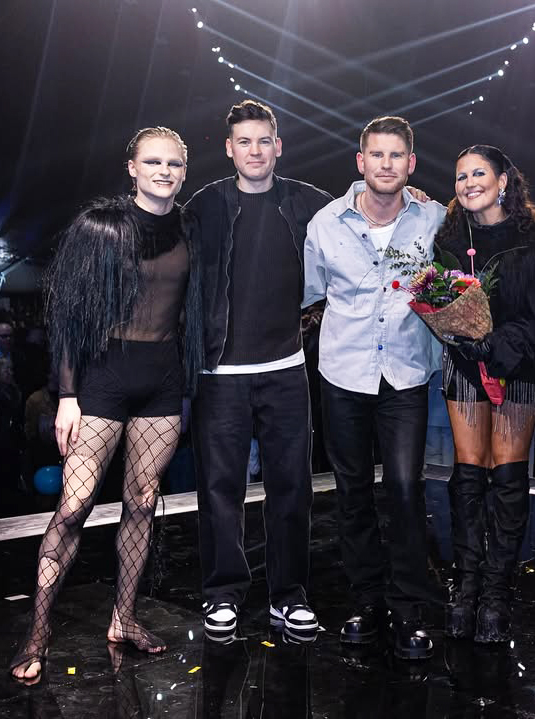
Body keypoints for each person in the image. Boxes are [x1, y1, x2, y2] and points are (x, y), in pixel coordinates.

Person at [8, 126, 202, 683]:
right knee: (74, 505)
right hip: (103, 377)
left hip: (162, 377)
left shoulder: (191, 227)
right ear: (132, 168)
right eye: (153, 162)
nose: (164, 171)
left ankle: (124, 618)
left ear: (184, 172)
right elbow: (70, 316)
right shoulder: (101, 227)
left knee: (143, 501)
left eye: (174, 164)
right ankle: (38, 632)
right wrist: (67, 395)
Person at [185, 100, 331, 643]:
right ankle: (223, 592)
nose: (254, 150)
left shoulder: (306, 201)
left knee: (292, 488)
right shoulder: (205, 204)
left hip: (286, 369)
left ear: (278, 146)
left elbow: (361, 214)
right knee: (219, 489)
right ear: (229, 149)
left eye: (263, 140)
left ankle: (289, 596)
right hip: (220, 373)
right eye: (244, 142)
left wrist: (413, 198)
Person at [303, 116, 446, 659]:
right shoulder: (326, 223)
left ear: (411, 163)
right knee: (352, 490)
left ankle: (409, 609)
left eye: (396, 155)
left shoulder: (434, 218)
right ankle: (365, 601)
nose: (386, 164)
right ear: (360, 161)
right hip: (343, 373)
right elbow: (307, 293)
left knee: (406, 489)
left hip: (406, 374)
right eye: (377, 155)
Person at [436, 144, 535, 643]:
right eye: (461, 176)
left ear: (504, 181)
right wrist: (461, 337)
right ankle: (466, 587)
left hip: (520, 365)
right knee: (468, 475)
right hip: (467, 366)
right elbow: (439, 298)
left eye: (479, 174)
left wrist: (500, 344)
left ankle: (496, 595)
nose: (469, 183)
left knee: (507, 475)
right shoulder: (450, 235)